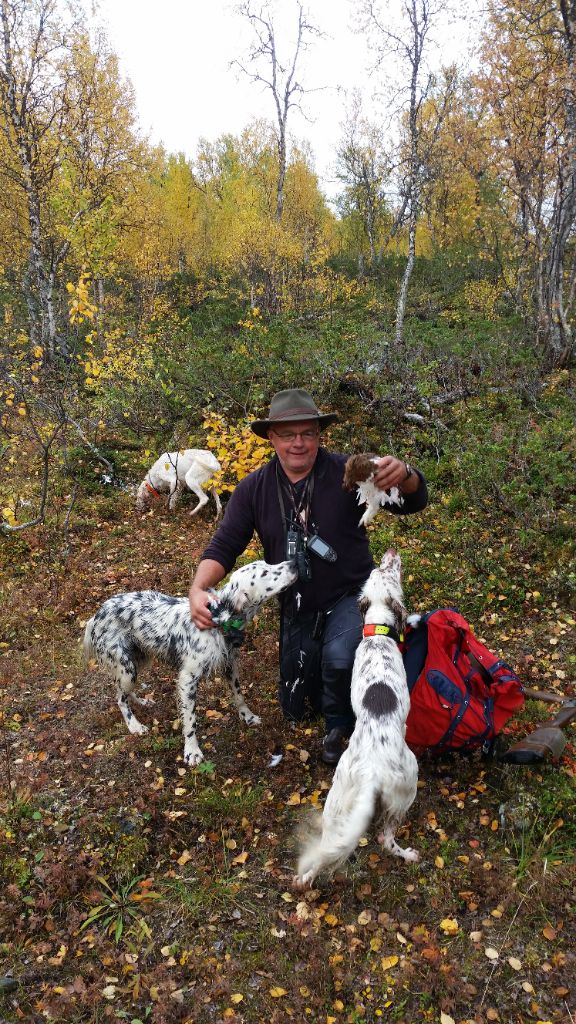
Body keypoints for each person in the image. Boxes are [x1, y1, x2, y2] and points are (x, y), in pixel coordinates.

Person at [189, 388, 428, 764]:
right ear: (272, 437)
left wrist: (408, 475)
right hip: (299, 608)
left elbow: (413, 500)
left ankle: (343, 736)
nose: (298, 443)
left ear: (319, 435)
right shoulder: (254, 489)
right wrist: (199, 588)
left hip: (352, 595)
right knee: (296, 708)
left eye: (308, 433)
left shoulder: (347, 472)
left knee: (339, 658)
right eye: (288, 434)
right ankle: (333, 694)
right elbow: (223, 546)